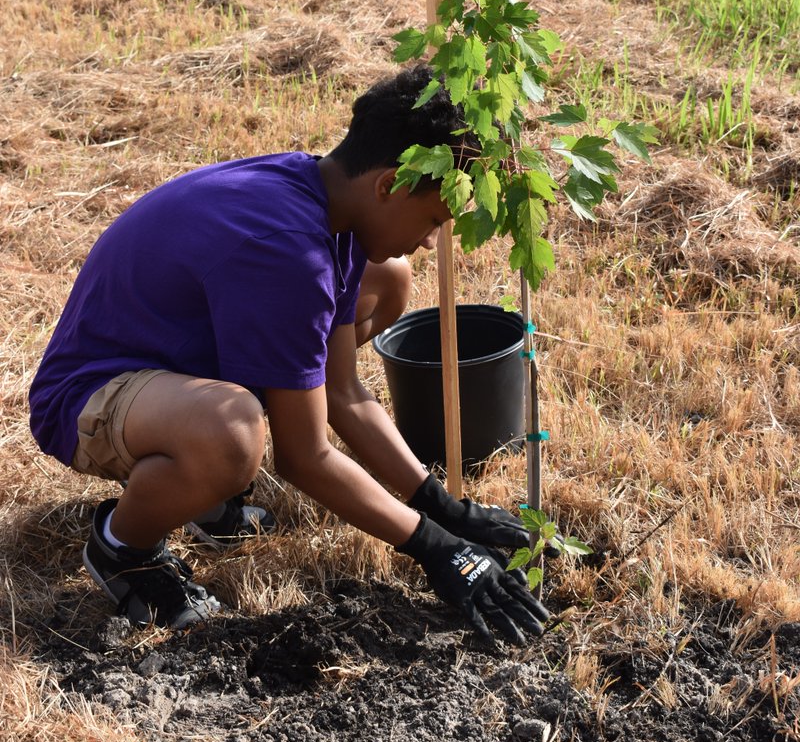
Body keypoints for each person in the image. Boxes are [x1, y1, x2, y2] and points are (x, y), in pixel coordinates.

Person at [29, 64, 549, 642]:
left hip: (172, 367)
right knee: (234, 434)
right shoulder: (289, 253)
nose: (431, 240)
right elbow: (306, 458)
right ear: (388, 186)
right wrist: (433, 546)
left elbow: (344, 392)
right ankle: (124, 548)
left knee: (389, 279)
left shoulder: (331, 204)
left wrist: (439, 505)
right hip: (89, 396)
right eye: (433, 218)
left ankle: (203, 487)